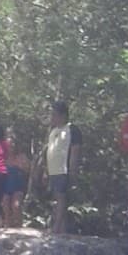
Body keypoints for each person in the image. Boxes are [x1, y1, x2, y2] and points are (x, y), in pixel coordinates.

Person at [45, 100, 82, 234]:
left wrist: (73, 170)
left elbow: (75, 150)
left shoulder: (72, 129)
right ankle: (62, 229)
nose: (52, 118)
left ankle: (56, 227)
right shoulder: (53, 131)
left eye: (54, 115)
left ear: (62, 115)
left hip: (63, 169)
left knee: (61, 198)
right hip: (53, 170)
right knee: (57, 198)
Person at [2, 130, 30, 228]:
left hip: (18, 185)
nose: (11, 147)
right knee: (5, 204)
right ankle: (7, 226)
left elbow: (28, 170)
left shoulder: (21, 157)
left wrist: (21, 167)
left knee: (16, 206)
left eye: (12, 144)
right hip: (6, 185)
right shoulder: (3, 158)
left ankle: (19, 226)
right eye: (9, 145)